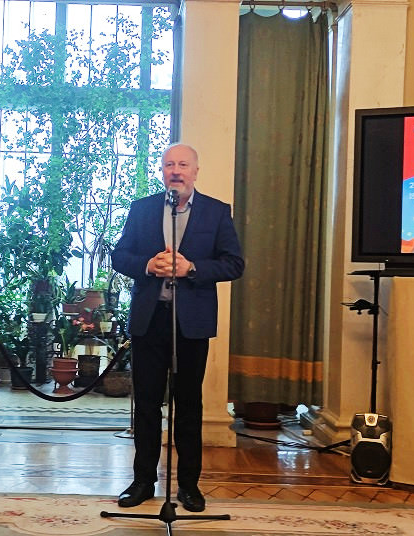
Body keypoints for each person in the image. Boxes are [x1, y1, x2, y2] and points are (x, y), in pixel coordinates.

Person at [111, 143, 245, 512]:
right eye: (169, 164)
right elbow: (120, 255)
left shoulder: (217, 212)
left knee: (188, 405)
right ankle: (143, 481)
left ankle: (188, 486)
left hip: (191, 324)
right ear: (162, 171)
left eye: (183, 164)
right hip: (150, 320)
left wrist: (193, 268)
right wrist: (147, 265)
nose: (176, 170)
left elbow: (234, 264)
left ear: (195, 171)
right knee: (146, 404)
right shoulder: (142, 209)